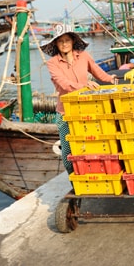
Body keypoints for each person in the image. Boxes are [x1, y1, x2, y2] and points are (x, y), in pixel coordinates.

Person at [41, 24, 117, 174]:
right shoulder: (52, 63)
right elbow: (63, 84)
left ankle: (92, 176)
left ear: (73, 41)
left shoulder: (84, 56)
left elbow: (99, 73)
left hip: (87, 109)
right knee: (68, 152)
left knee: (91, 146)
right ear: (55, 43)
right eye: (60, 41)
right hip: (65, 113)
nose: (64, 44)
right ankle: (74, 181)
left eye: (67, 40)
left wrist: (112, 79)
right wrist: (84, 86)